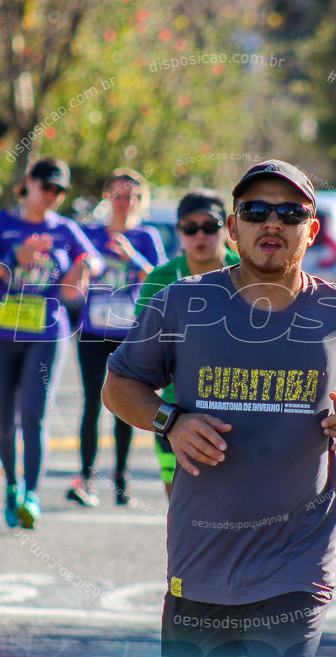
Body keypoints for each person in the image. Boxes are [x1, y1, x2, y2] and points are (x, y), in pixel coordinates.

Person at [101, 160, 336, 657]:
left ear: (311, 230)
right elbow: (118, 386)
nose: (271, 223)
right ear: (234, 229)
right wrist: (171, 420)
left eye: (289, 212)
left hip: (298, 562)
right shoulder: (182, 303)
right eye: (255, 211)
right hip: (202, 561)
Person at [0, 159, 102, 529]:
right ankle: (12, 486)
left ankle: (31, 494)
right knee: (4, 423)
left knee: (34, 416)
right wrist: (15, 257)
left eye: (59, 191)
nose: (52, 196)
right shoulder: (1, 224)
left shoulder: (65, 229)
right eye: (46, 187)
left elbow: (95, 259)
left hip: (46, 333)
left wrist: (85, 266)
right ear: (27, 183)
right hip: (0, 334)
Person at [67, 168, 166, 507]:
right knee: (92, 403)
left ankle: (122, 482)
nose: (125, 202)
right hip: (93, 331)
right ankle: (86, 479)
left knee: (126, 405)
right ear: (108, 197)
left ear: (141, 201)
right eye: (119, 195)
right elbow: (73, 266)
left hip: (130, 333)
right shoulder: (90, 234)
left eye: (133, 197)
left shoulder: (146, 237)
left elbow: (162, 278)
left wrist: (132, 258)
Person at [134, 190, 241, 499]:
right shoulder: (160, 279)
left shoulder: (249, 275)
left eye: (210, 226)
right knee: (182, 508)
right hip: (175, 411)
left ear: (228, 227)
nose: (200, 235)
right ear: (179, 231)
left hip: (238, 410)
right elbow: (142, 349)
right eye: (190, 228)